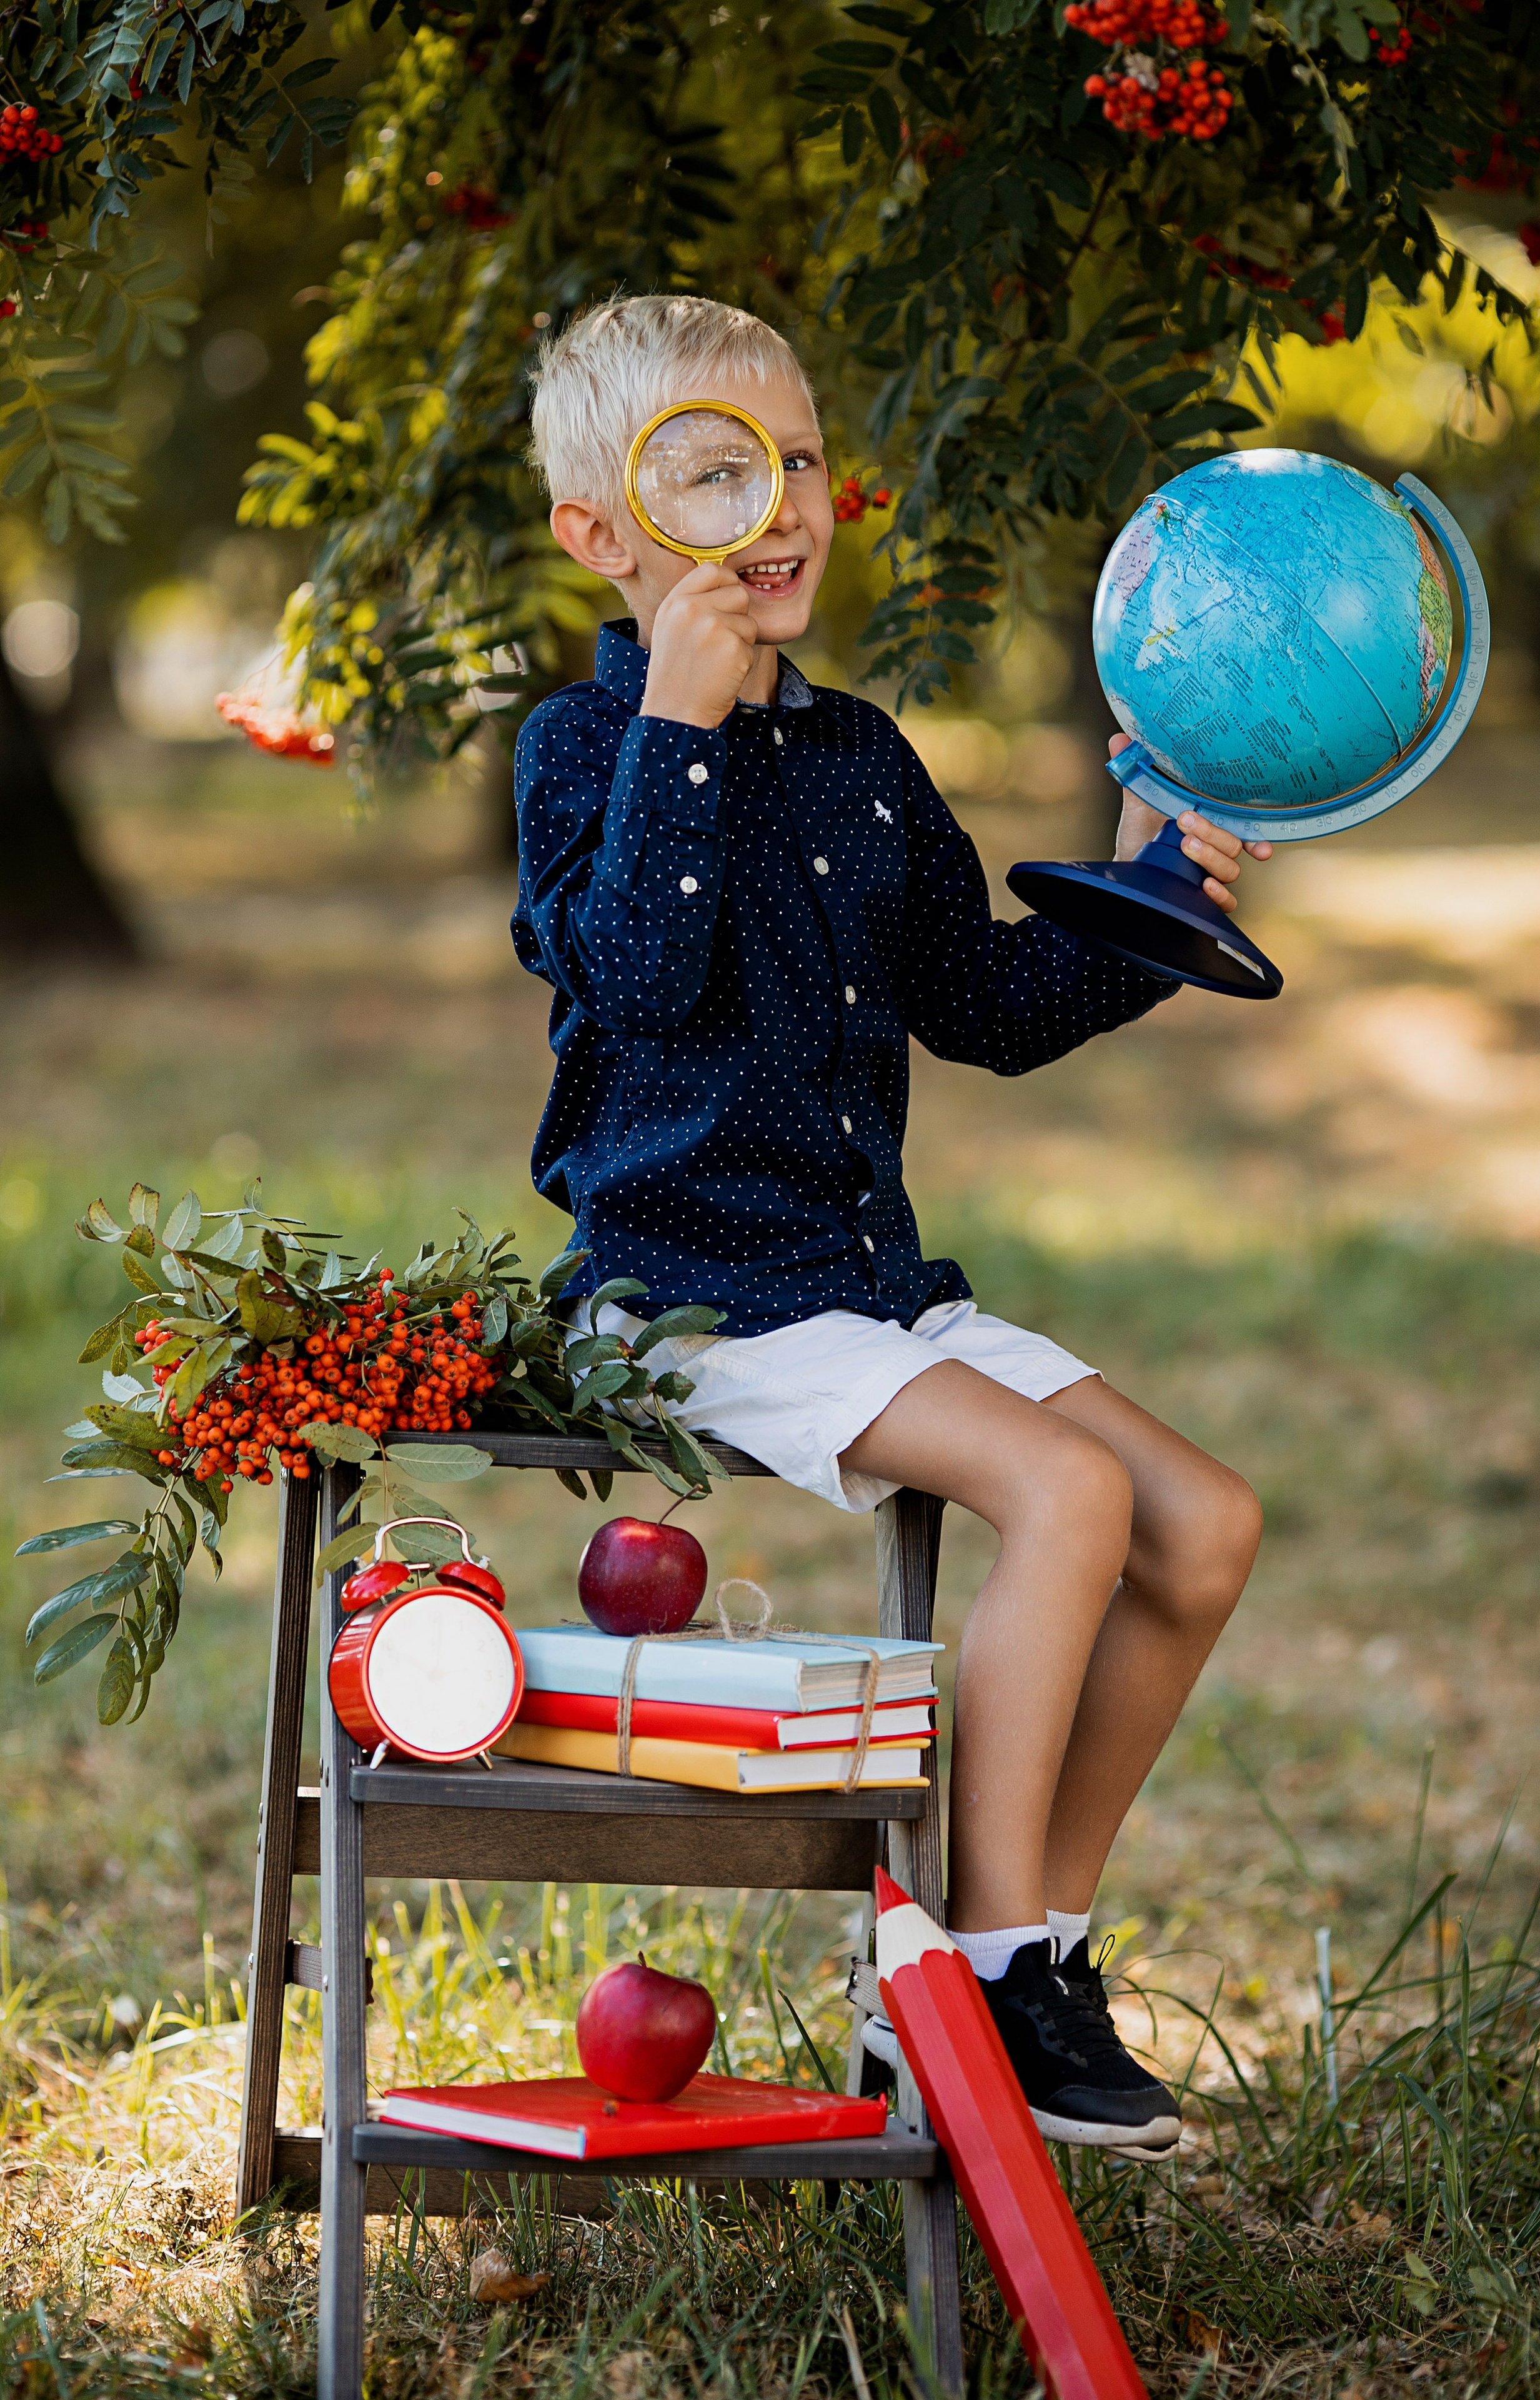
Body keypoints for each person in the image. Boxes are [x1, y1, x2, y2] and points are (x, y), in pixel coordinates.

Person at [514, 294, 1269, 2160]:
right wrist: (680, 734)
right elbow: (633, 977)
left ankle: (1021, 1949)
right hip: (683, 1291)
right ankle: (983, 1973)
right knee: (1070, 1496)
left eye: (792, 459)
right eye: (706, 468)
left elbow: (989, 1006)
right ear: (603, 537)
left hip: (860, 1288)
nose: (770, 505)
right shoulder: (574, 756)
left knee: (1201, 1520)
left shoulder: (861, 760)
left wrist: (1158, 878)